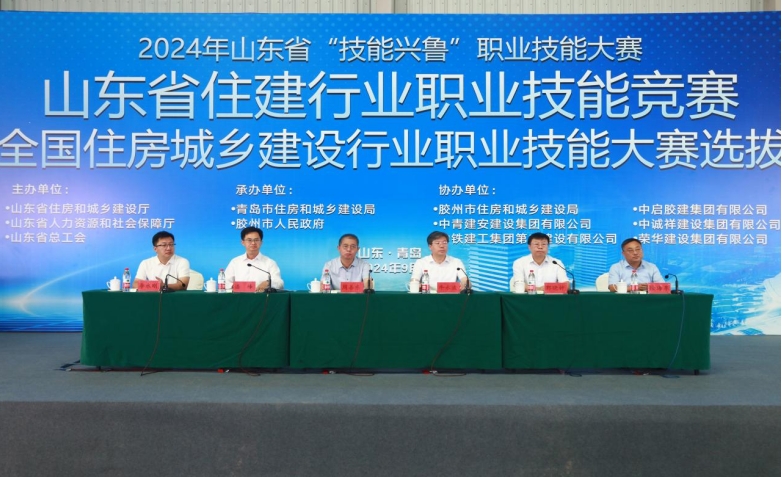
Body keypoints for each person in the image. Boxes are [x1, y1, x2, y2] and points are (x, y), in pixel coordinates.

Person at [224, 226, 284, 291]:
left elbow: (279, 283)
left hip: (262, 297)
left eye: (256, 240)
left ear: (261, 242)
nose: (253, 243)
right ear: (243, 242)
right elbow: (225, 282)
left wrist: (268, 283)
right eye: (249, 240)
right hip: (239, 296)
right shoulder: (235, 262)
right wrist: (240, 287)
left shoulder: (269, 263)